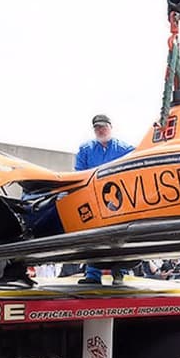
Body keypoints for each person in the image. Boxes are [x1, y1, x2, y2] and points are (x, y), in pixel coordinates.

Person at [75, 114, 134, 285]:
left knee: (122, 236)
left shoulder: (125, 148)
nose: (100, 130)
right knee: (92, 237)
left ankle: (119, 273)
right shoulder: (85, 149)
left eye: (103, 126)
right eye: (97, 127)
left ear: (111, 127)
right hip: (95, 202)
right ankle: (92, 274)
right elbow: (79, 174)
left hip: (121, 202)